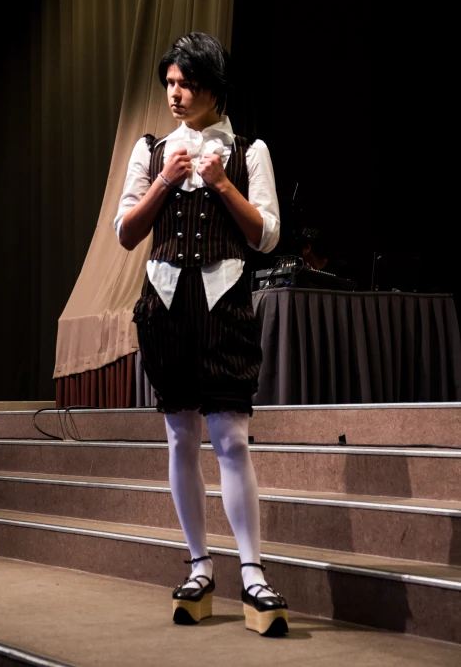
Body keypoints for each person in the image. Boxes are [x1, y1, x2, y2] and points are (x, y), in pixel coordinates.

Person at [114, 33, 288, 636]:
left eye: (185, 83)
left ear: (212, 87)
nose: (175, 94)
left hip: (223, 306)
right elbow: (126, 233)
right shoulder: (150, 149)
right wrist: (165, 180)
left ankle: (253, 572)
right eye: (168, 83)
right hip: (165, 306)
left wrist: (220, 182)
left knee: (231, 440)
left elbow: (266, 236)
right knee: (180, 437)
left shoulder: (248, 150)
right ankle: (198, 564)